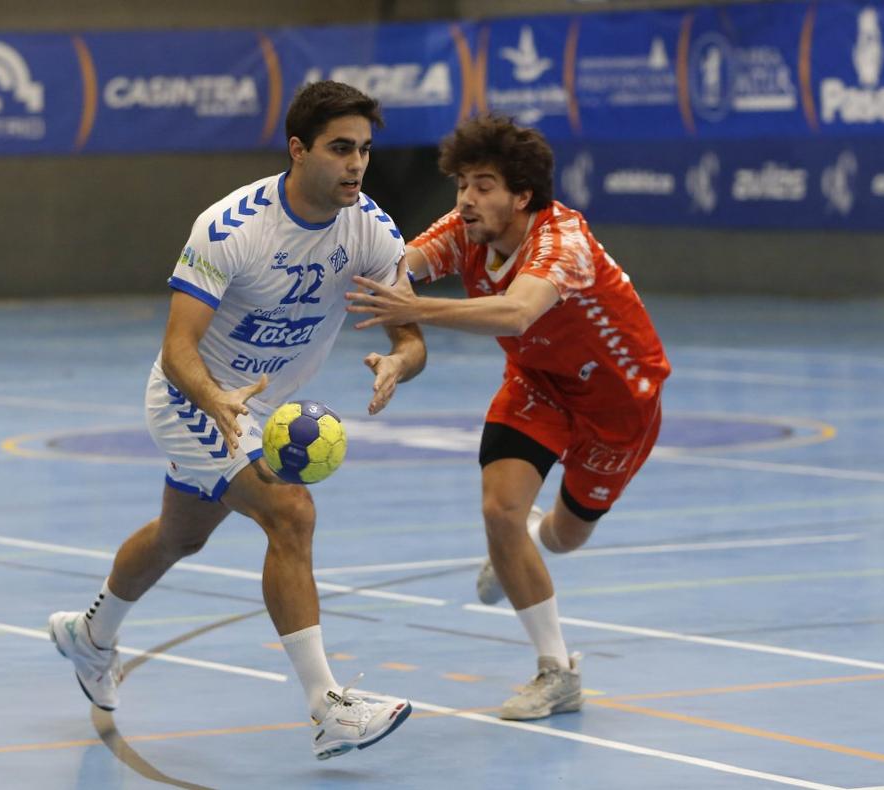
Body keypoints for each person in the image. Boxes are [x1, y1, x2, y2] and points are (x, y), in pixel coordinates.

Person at [47, 80, 426, 760]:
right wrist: (217, 400)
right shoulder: (232, 227)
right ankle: (328, 707)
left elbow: (412, 334)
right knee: (291, 512)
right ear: (298, 149)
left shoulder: (370, 228)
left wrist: (401, 360)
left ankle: (90, 635)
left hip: (261, 409)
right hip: (195, 398)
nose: (356, 165)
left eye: (365, 150)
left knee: (179, 536)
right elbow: (177, 347)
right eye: (340, 148)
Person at [346, 115, 669, 721]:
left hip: (618, 403)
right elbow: (395, 268)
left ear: (521, 196)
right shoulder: (465, 229)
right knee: (500, 510)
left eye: (484, 185)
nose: (466, 199)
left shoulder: (562, 242)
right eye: (461, 184)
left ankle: (523, 544)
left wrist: (415, 308)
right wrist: (397, 347)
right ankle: (558, 671)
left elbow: (518, 312)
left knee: (566, 538)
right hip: (537, 383)